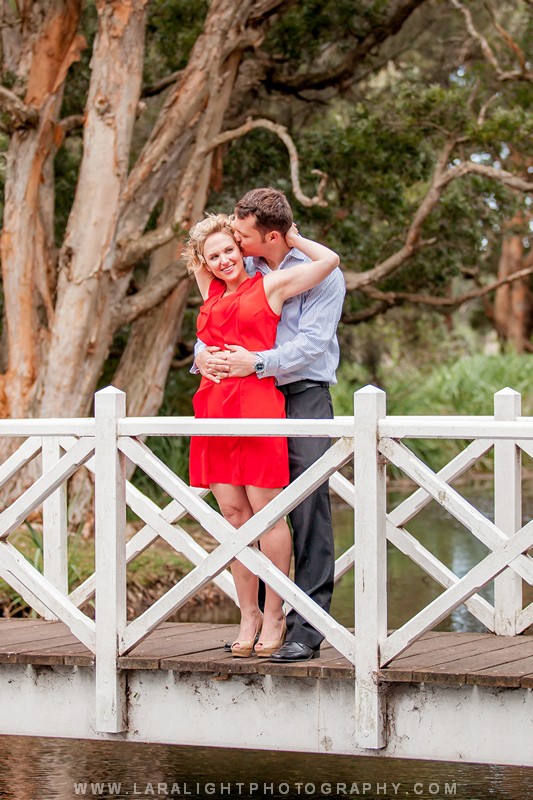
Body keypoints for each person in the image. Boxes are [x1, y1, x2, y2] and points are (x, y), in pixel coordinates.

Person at [195, 188, 345, 662]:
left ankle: (307, 626)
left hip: (301, 396)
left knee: (306, 510)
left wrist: (255, 364)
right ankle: (258, 614)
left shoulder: (316, 278)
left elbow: (312, 347)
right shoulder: (246, 268)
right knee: (246, 516)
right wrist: (202, 359)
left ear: (272, 235)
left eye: (241, 235)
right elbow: (218, 326)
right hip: (246, 399)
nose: (234, 244)